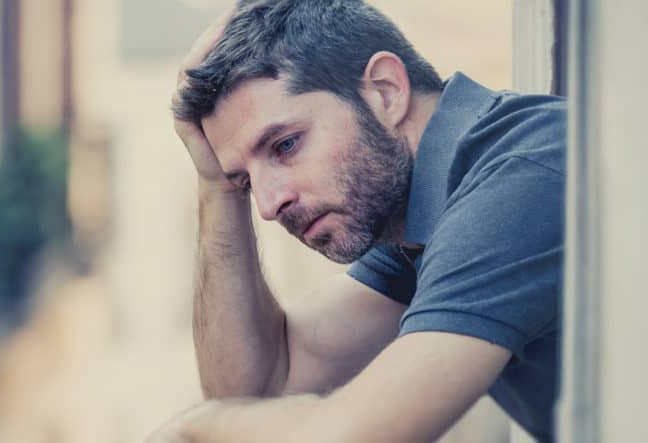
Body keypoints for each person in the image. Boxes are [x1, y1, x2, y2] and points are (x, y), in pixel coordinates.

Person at [148, 1, 565, 442]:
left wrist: (191, 430)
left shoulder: (517, 180)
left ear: (385, 92)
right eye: (247, 182)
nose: (268, 206)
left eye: (286, 145)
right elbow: (258, 388)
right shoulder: (419, 220)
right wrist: (217, 185)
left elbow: (349, 436)